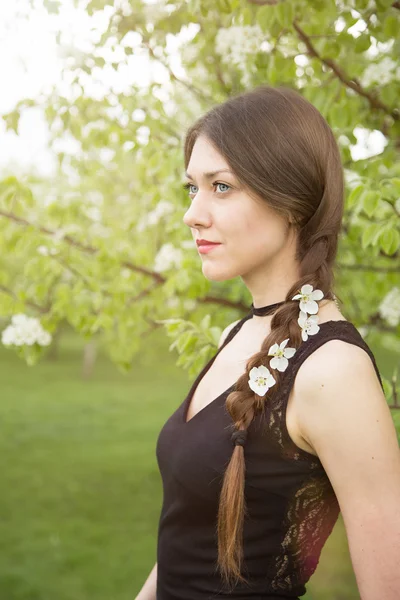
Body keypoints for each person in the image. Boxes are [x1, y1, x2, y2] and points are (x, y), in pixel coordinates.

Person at [136, 85, 400, 600]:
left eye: (222, 186)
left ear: (292, 201)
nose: (193, 214)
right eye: (193, 188)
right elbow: (188, 538)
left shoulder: (332, 370)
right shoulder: (243, 333)